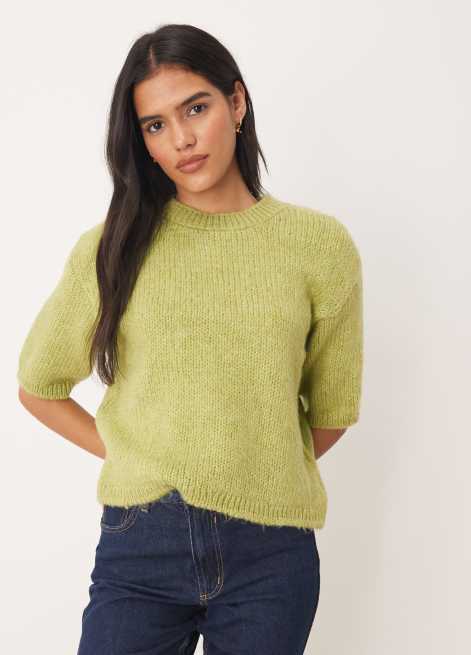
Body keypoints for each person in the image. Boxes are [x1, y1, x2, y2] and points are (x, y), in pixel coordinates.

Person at [17, 23, 364, 655]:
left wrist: (249, 460)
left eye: (195, 109)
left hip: (270, 553)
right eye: (155, 125)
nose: (180, 139)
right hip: (140, 548)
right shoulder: (112, 246)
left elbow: (333, 411)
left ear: (237, 102)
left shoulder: (318, 246)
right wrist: (142, 455)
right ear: (142, 141)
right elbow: (39, 385)